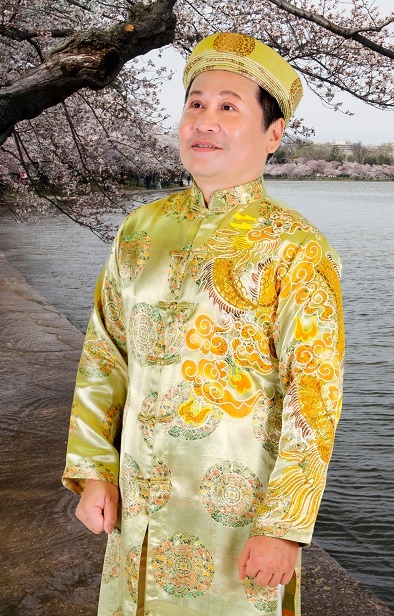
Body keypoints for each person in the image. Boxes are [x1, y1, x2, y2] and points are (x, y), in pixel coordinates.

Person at [63, 32, 344, 616]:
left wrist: (284, 527)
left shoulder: (297, 248)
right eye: (196, 103)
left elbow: (313, 395)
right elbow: (105, 355)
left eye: (228, 107)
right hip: (138, 504)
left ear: (272, 135)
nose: (204, 121)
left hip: (237, 518)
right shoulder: (140, 229)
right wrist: (94, 470)